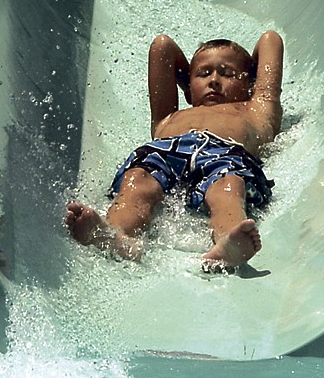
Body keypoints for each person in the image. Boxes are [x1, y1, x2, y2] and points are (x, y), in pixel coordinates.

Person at [65, 31, 283, 272]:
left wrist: (246, 80)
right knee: (137, 181)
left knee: (228, 187)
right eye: (204, 73)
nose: (214, 80)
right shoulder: (167, 117)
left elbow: (270, 40)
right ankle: (117, 236)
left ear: (250, 83)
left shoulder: (256, 108)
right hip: (165, 152)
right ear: (189, 86)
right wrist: (190, 86)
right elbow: (162, 47)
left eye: (227, 73)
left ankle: (228, 241)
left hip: (225, 155)